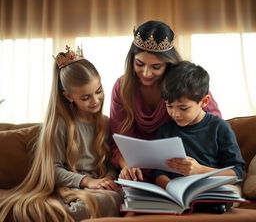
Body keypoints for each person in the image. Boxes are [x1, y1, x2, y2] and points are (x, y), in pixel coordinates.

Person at [0, 46, 122, 222]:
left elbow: (111, 161)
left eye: (98, 91)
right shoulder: (61, 124)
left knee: (119, 198)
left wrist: (109, 177)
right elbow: (53, 170)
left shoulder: (105, 123)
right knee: (87, 207)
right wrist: (87, 181)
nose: (96, 100)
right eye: (86, 97)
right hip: (71, 186)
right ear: (69, 96)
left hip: (99, 186)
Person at [110, 20, 222, 182]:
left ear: (169, 64)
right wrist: (127, 165)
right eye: (140, 64)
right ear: (131, 60)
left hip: (181, 168)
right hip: (137, 171)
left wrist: (198, 166)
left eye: (156, 67)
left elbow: (213, 126)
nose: (146, 73)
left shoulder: (184, 84)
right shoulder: (121, 87)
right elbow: (120, 139)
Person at [153, 61, 245, 191]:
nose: (175, 113)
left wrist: (200, 170)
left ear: (204, 101)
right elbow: (158, 173)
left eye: (183, 108)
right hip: (177, 192)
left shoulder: (219, 127)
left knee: (230, 191)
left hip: (212, 188)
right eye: (169, 106)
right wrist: (170, 187)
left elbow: (237, 172)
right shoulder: (166, 131)